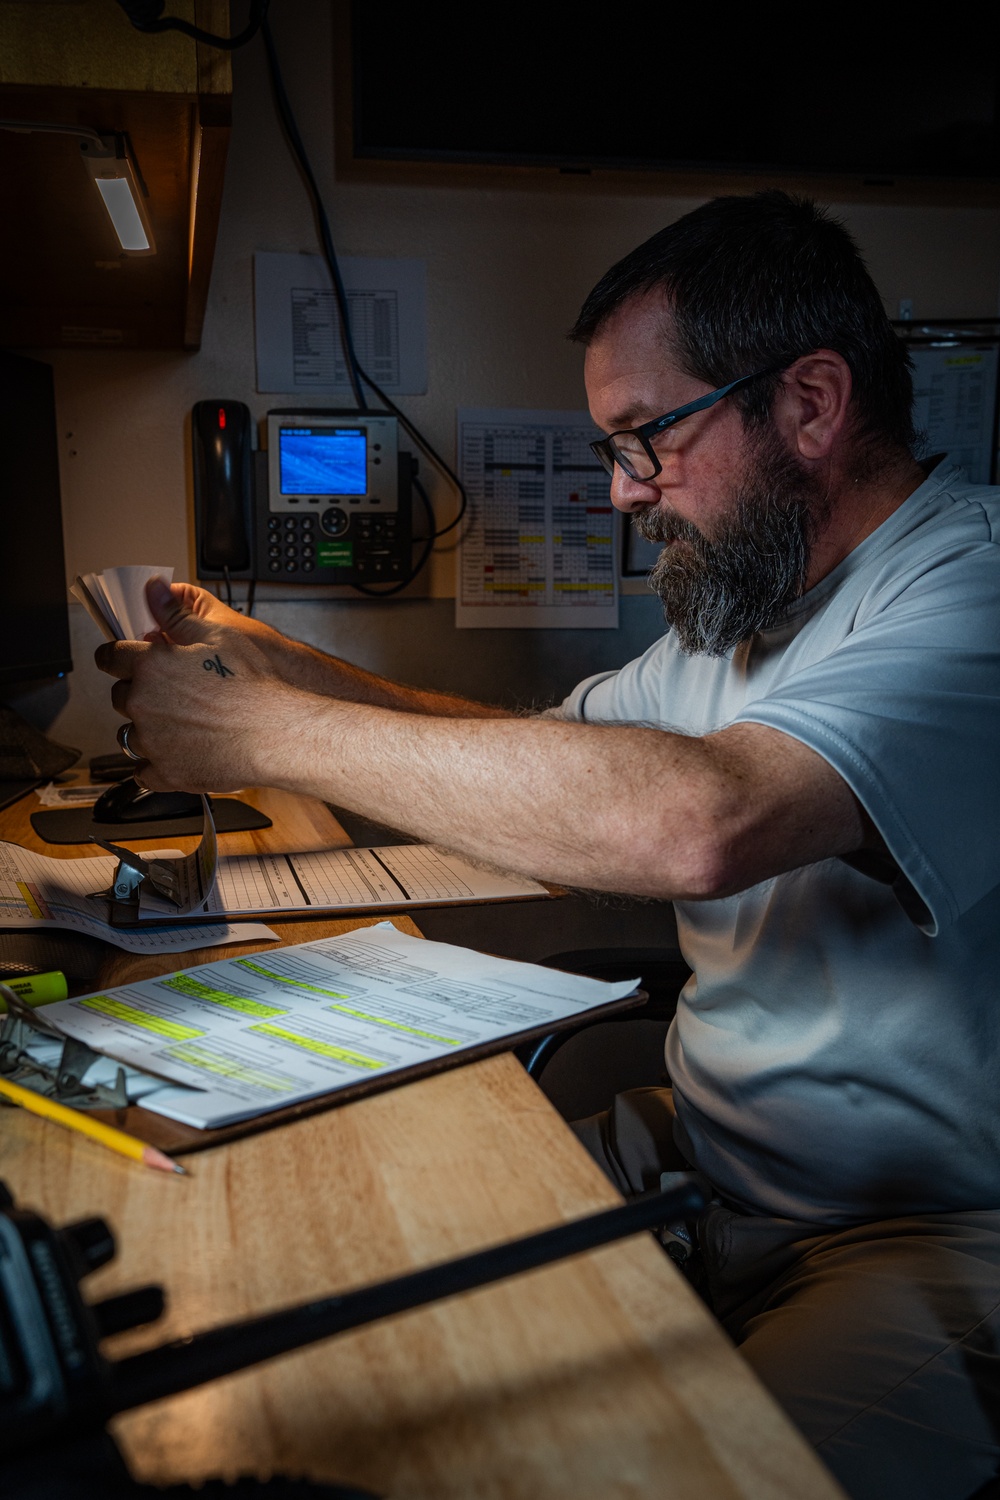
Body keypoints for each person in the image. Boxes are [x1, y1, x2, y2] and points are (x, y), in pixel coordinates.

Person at [98, 192, 1000, 1500]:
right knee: (334, 1283)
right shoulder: (741, 613)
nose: (625, 490)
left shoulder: (969, 590)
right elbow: (540, 753)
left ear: (808, 402)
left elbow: (699, 819)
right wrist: (272, 661)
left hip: (921, 1237)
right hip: (704, 1160)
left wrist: (261, 737)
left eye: (646, 438)